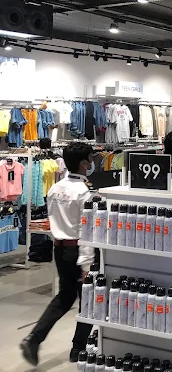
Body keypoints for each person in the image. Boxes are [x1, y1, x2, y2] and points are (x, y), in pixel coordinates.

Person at [21, 142, 96, 365]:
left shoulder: (55, 189)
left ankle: (34, 338)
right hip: (77, 250)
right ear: (83, 164)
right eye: (90, 160)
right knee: (88, 301)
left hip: (60, 248)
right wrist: (87, 265)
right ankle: (78, 348)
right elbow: (86, 232)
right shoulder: (84, 193)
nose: (92, 163)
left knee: (65, 296)